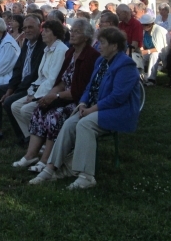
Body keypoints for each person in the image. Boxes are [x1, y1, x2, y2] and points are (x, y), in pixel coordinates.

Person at [29, 27, 141, 189]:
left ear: (114, 46)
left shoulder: (126, 65)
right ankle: (50, 168)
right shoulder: (101, 61)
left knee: (85, 124)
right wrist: (82, 103)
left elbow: (118, 97)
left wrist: (91, 109)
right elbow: (90, 87)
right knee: (69, 124)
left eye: (102, 43)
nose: (99, 46)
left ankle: (86, 176)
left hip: (118, 111)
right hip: (96, 108)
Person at [13, 19, 100, 172]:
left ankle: (46, 159)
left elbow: (79, 91)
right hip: (63, 96)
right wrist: (49, 96)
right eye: (72, 31)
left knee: (54, 116)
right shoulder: (71, 52)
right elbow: (61, 81)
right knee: (40, 109)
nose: (72, 34)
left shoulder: (91, 56)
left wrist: (56, 97)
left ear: (86, 37)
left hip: (79, 101)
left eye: (77, 32)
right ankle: (30, 155)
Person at [0, 15, 45, 144]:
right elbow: (18, 68)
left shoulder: (42, 46)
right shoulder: (27, 43)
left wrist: (15, 91)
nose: (27, 30)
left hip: (33, 86)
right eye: (25, 28)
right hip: (21, 84)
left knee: (9, 101)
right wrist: (10, 89)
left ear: (39, 28)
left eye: (31, 27)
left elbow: (34, 74)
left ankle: (24, 137)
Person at [10, 20, 68, 151]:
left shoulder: (61, 50)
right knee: (15, 106)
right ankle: (32, 140)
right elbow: (40, 77)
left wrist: (35, 96)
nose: (43, 33)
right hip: (41, 89)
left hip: (52, 92)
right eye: (43, 30)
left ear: (55, 34)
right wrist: (31, 93)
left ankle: (41, 142)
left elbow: (52, 80)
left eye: (47, 31)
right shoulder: (47, 49)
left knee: (25, 110)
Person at [139, 14, 168, 86]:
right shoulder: (144, 31)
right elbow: (142, 43)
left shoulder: (158, 30)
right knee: (138, 56)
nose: (144, 26)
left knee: (154, 55)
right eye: (143, 24)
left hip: (161, 53)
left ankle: (151, 79)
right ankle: (140, 77)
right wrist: (141, 50)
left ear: (152, 24)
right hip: (149, 51)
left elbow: (159, 48)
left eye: (146, 24)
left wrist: (145, 51)